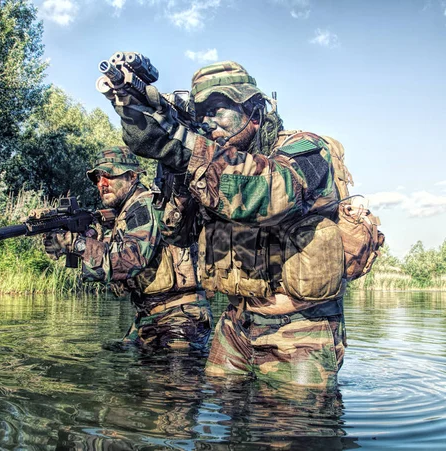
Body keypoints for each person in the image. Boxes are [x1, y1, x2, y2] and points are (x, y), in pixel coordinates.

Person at [112, 61, 347, 387]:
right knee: (224, 421)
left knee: (293, 430)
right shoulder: (210, 166)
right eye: (201, 113)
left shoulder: (305, 149)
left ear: (253, 112)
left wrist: (184, 147)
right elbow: (177, 235)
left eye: (217, 110)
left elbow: (266, 192)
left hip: (301, 327)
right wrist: (177, 173)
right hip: (237, 320)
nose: (209, 123)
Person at [44, 146, 212, 352]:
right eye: (97, 178)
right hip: (149, 315)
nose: (101, 184)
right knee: (116, 354)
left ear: (132, 176)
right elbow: (110, 262)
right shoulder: (123, 213)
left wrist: (77, 244)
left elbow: (131, 259)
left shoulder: (145, 205)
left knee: (173, 382)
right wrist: (82, 242)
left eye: (109, 175)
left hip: (180, 316)